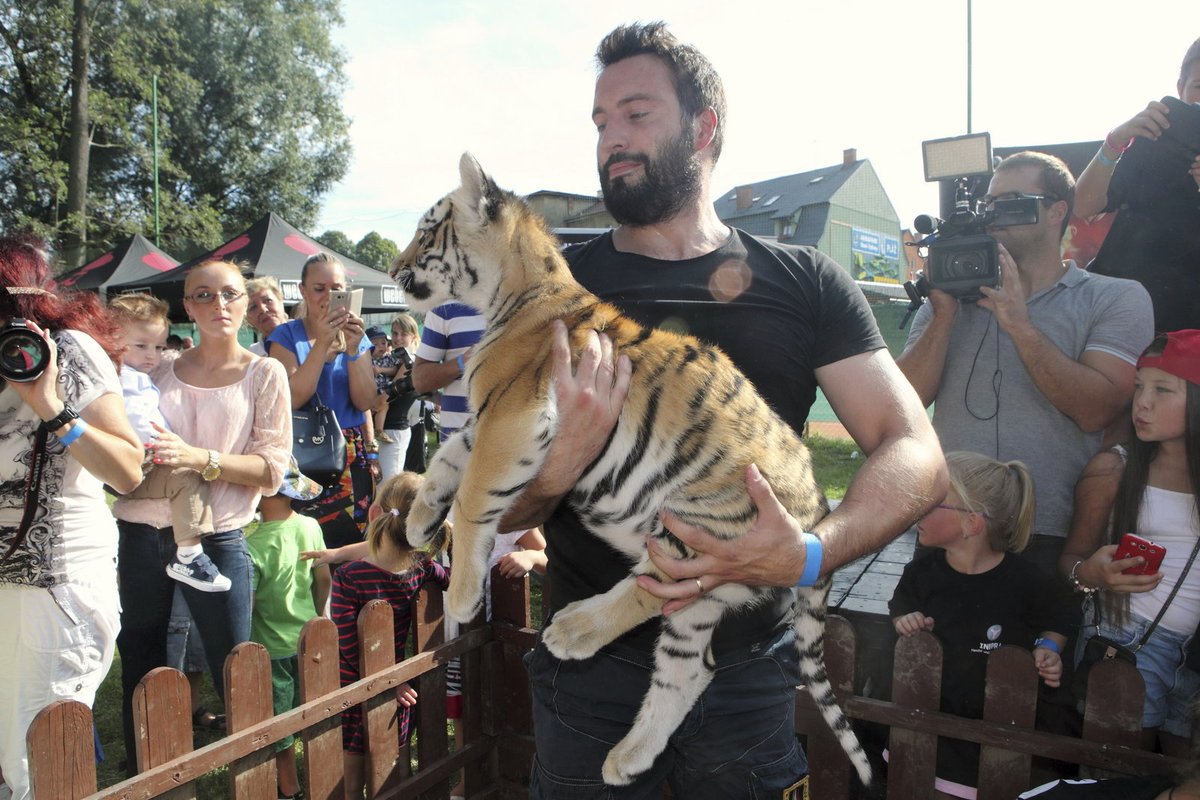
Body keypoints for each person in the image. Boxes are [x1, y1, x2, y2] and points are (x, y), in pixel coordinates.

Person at [492, 23, 945, 797]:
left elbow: (914, 449)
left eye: (636, 114)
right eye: (601, 122)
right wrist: (563, 461)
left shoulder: (807, 282)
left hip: (745, 675)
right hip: (590, 673)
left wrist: (807, 554)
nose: (612, 141)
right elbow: (503, 504)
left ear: (703, 129)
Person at [898, 150, 1155, 576]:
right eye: (990, 203)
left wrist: (1020, 323)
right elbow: (905, 403)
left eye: (1012, 201)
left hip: (1049, 531)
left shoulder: (1115, 297)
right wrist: (943, 317)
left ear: (1057, 211)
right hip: (949, 527)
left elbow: (1097, 411)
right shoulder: (949, 299)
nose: (993, 214)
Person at [112, 259, 292, 773]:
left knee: (234, 664)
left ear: (247, 301)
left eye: (230, 294)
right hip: (144, 533)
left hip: (217, 538)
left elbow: (271, 471)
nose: (219, 305)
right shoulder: (156, 366)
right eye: (204, 295)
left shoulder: (264, 372)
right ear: (187, 305)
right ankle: (144, 772)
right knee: (142, 659)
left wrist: (199, 458)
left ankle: (255, 773)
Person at [0, 237, 143, 800]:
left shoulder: (65, 349)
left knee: (38, 758)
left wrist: (48, 405)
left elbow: (128, 470)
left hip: (54, 589)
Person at [890, 451, 1072, 800]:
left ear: (971, 523)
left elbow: (1057, 620)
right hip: (928, 720)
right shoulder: (920, 574)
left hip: (998, 731)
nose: (917, 508)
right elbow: (899, 607)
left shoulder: (1027, 581)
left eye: (931, 502)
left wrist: (1048, 651)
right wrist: (905, 621)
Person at [1059, 331, 1200, 756]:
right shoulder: (1113, 470)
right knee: (1118, 775)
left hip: (1191, 655)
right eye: (1139, 387)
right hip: (1127, 642)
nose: (1142, 402)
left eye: (1162, 389)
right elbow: (1069, 560)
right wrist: (1090, 574)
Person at [330, 472, 450, 798]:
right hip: (399, 685)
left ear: (373, 512)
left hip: (353, 689)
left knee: (351, 783)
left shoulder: (348, 577)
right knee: (390, 772)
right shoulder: (422, 567)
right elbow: (451, 579)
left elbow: (346, 644)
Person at [1077, 38, 1200, 333]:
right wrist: (1115, 142)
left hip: (1188, 338)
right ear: (1180, 87)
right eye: (1199, 86)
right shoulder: (1153, 142)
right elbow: (1083, 204)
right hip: (1119, 315)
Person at [108, 293, 228, 592]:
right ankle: (189, 554)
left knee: (188, 476)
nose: (152, 355)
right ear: (112, 340)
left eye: (159, 347)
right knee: (188, 476)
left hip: (136, 461)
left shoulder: (135, 374)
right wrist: (161, 442)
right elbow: (136, 419)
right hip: (140, 457)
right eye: (141, 346)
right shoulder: (125, 377)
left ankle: (189, 553)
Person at [268, 252, 379, 549]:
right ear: (303, 291)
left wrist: (354, 349)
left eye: (337, 289)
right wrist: (322, 344)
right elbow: (291, 399)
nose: (329, 297)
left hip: (349, 455)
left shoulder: (358, 336)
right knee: (306, 546)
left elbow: (365, 400)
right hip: (303, 451)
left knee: (351, 545)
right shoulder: (286, 336)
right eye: (319, 289)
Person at [246, 458, 330, 800]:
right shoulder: (310, 526)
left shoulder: (249, 543)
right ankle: (322, 772)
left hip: (271, 645)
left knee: (279, 721)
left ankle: (289, 785)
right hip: (310, 638)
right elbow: (322, 579)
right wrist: (318, 613)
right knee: (315, 711)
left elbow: (247, 602)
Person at [411, 302, 483, 442]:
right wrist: (462, 362)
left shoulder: (533, 302)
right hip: (460, 448)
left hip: (522, 446)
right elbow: (419, 380)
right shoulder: (445, 310)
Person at [378, 314, 421, 481]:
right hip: (391, 431)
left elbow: (384, 399)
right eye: (395, 333)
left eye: (403, 334)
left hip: (394, 432)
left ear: (414, 336)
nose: (398, 338)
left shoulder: (409, 362)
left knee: (388, 490)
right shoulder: (398, 360)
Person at [366, 324, 402, 446]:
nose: (381, 346)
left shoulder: (389, 358)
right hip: (370, 390)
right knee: (367, 410)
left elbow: (395, 370)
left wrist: (380, 370)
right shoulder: (365, 359)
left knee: (383, 406)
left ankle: (379, 430)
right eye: (375, 345)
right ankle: (368, 433)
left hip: (383, 390)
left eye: (383, 343)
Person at [245, 275, 289, 356]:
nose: (262, 309)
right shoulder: (252, 355)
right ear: (247, 318)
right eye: (253, 307)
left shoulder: (307, 334)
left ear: (281, 300)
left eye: (268, 300)